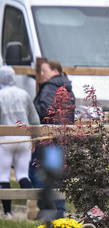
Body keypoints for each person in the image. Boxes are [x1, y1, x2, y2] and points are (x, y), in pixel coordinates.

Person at [30, 59, 74, 214]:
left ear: (55, 71)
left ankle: (50, 210)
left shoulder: (50, 86)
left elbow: (46, 109)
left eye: (44, 70)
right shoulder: (67, 87)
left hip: (48, 139)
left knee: (36, 170)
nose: (42, 74)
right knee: (56, 175)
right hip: (62, 138)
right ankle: (58, 213)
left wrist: (33, 109)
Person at [0, 64, 40, 218]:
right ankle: (32, 209)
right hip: (24, 139)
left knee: (3, 175)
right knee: (23, 174)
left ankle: (8, 213)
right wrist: (35, 139)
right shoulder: (24, 94)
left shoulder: (0, 95)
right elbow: (34, 120)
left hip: (5, 140)